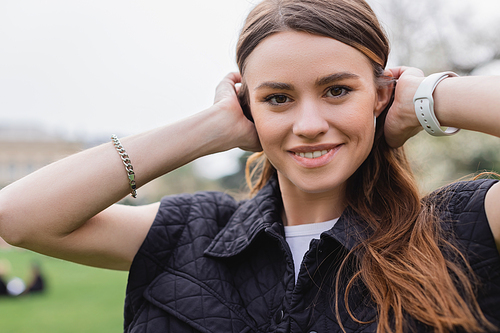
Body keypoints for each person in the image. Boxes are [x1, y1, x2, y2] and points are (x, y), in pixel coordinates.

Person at [0, 0, 499, 331]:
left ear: (381, 95)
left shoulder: (462, 227)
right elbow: (18, 217)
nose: (308, 123)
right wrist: (211, 128)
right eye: (278, 98)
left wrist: (431, 99)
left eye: (337, 90)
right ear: (247, 108)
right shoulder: (191, 232)